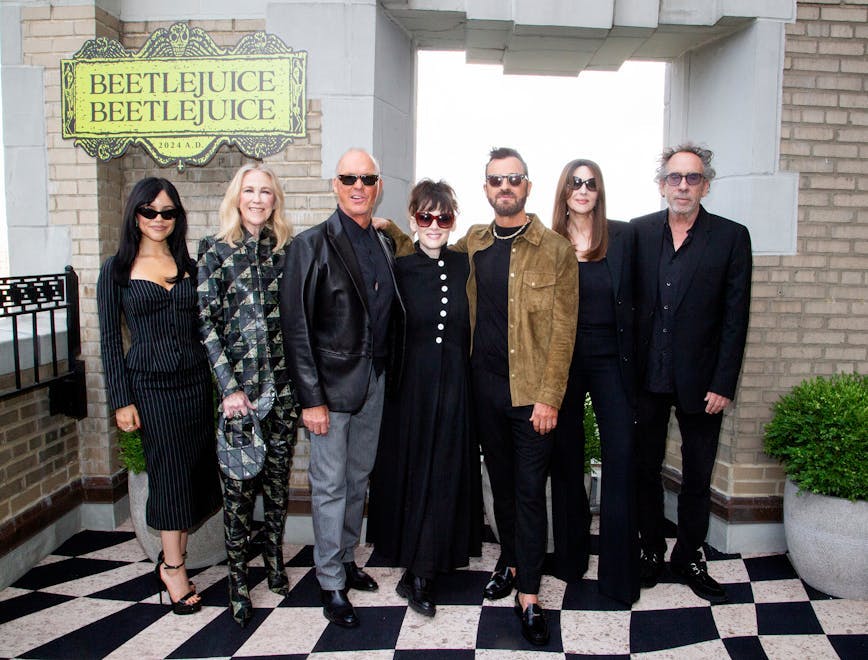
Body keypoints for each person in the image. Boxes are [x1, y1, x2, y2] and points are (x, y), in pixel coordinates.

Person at [381, 147, 577, 645]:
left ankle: (529, 595)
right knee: (504, 491)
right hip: (482, 392)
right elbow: (424, 251)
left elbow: (562, 331)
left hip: (532, 393)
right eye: (495, 180)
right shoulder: (476, 242)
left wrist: (550, 397)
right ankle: (511, 563)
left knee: (531, 492)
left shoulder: (553, 249)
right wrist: (392, 230)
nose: (504, 187)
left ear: (527, 186)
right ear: (486, 189)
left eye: (513, 179)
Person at [280, 148, 405, 629]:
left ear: (377, 187)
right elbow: (296, 328)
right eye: (349, 178)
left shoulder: (384, 243)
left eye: (367, 178)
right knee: (330, 485)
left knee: (357, 479)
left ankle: (347, 559)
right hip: (328, 392)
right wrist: (311, 398)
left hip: (374, 382)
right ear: (335, 185)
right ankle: (329, 580)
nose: (358, 186)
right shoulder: (310, 245)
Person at [632, 143, 752, 604]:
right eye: (675, 177)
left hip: (703, 384)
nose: (683, 186)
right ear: (661, 183)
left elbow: (734, 316)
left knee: (697, 475)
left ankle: (689, 555)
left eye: (693, 178)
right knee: (645, 470)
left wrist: (724, 382)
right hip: (646, 378)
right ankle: (649, 550)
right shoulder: (638, 233)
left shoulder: (730, 237)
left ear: (707, 183)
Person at [97, 177, 220, 616]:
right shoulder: (115, 269)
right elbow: (111, 342)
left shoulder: (188, 262)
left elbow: (206, 329)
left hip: (194, 386)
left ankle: (177, 557)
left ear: (177, 217)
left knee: (191, 474)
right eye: (149, 211)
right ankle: (172, 568)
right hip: (150, 388)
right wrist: (121, 401)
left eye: (167, 212)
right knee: (168, 477)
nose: (158, 220)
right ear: (135, 214)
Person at [366, 179, 482, 618]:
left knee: (446, 471)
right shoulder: (398, 267)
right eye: (425, 216)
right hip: (410, 389)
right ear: (413, 218)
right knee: (417, 472)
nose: (434, 225)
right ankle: (417, 568)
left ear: (454, 220)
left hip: (456, 386)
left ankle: (435, 557)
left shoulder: (465, 265)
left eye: (443, 217)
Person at [197, 163, 299, 628]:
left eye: (266, 192)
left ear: (275, 200)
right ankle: (238, 581)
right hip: (238, 400)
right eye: (249, 191)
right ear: (237, 197)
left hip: (282, 393)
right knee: (238, 493)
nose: (258, 199)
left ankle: (274, 563)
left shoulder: (287, 252)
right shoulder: (215, 252)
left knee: (277, 487)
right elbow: (206, 325)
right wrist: (229, 388)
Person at [549, 159, 640, 605]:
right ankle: (570, 558)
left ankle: (620, 574)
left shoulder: (623, 236)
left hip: (612, 361)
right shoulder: (549, 243)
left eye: (590, 184)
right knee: (565, 459)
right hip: (564, 362)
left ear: (599, 191)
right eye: (575, 183)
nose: (582, 190)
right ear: (564, 191)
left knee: (621, 456)